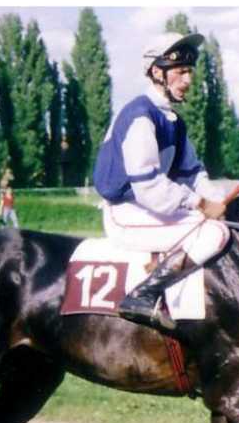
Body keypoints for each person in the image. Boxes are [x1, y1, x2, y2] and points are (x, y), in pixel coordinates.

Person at [93, 32, 229, 333]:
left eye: (190, 71)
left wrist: (219, 199)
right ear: (157, 72)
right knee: (214, 233)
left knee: (223, 223)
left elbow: (193, 173)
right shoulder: (140, 116)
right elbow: (150, 187)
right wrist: (201, 204)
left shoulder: (173, 122)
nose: (188, 80)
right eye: (181, 72)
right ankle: (142, 295)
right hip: (124, 211)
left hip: (146, 208)